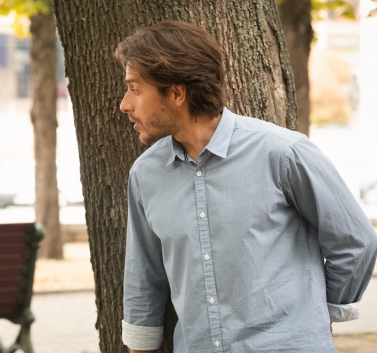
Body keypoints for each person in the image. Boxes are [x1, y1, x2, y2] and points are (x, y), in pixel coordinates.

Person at [116, 21, 377, 352]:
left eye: (135, 89)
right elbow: (144, 277)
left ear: (177, 93)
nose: (125, 104)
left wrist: (314, 316)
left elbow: (355, 241)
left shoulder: (283, 153)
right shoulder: (146, 174)